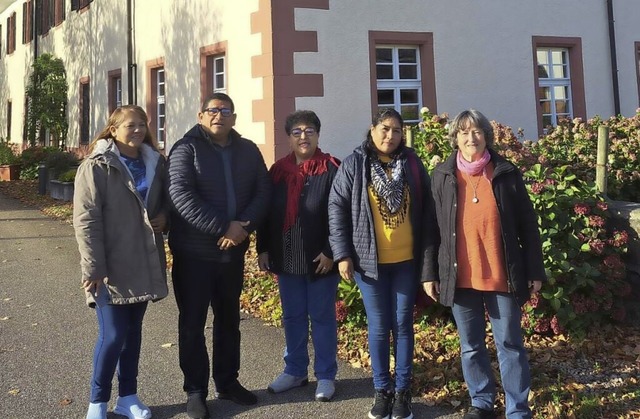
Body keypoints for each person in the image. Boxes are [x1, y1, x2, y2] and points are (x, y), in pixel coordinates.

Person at [424, 109, 546, 419]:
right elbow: (431, 229)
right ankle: (481, 402)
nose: (470, 138)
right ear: (455, 138)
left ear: (486, 136)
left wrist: (534, 269)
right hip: (460, 275)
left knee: (510, 343)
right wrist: (429, 274)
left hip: (502, 274)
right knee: (471, 345)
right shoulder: (442, 175)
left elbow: (527, 225)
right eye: (464, 132)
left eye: (476, 131)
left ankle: (517, 409)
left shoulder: (505, 172)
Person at [328, 108, 439, 419]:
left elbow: (428, 211)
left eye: (396, 130)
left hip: (406, 261)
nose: (390, 136)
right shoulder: (355, 164)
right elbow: (336, 208)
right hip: (368, 264)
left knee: (403, 325)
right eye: (385, 129)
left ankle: (403, 391)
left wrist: (429, 264)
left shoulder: (412, 164)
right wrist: (343, 254)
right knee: (378, 327)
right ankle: (382, 390)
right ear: (372, 129)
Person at [167, 92, 270, 419]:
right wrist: (223, 227)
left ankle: (227, 382)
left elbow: (263, 192)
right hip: (194, 255)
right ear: (201, 116)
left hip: (232, 255)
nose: (218, 116)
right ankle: (195, 390)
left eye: (225, 111)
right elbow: (180, 195)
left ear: (234, 118)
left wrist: (243, 227)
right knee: (192, 324)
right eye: (212, 110)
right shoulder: (185, 149)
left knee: (228, 321)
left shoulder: (248, 150)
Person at [73, 105, 169, 419]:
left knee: (132, 333)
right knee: (112, 335)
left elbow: (165, 200)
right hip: (109, 265)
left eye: (143, 124)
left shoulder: (155, 161)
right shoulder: (96, 165)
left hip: (142, 260)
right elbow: (86, 220)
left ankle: (128, 397)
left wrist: (164, 217)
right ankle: (97, 403)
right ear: (113, 129)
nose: (138, 130)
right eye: (131, 125)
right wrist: (93, 267)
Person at [256, 110, 341, 402]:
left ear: (318, 134)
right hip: (286, 256)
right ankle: (295, 371)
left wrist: (331, 251)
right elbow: (266, 214)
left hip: (320, 260)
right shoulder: (278, 171)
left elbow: (340, 215)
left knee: (322, 318)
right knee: (292, 317)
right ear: (289, 137)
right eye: (297, 132)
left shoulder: (331, 168)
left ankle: (326, 375)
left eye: (309, 131)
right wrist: (263, 248)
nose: (303, 137)